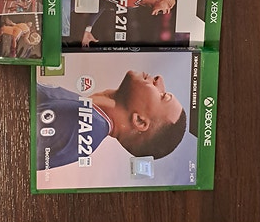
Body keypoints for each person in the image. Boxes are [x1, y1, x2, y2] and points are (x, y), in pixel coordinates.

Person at [36, 70, 186, 170]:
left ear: (140, 121)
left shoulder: (86, 125)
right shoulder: (89, 121)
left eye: (163, 95)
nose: (160, 80)